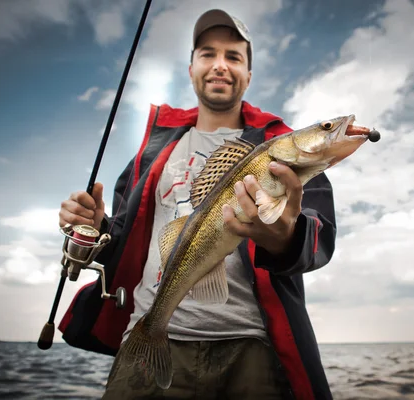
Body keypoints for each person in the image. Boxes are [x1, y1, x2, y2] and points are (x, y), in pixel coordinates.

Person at [58, 9, 337, 400]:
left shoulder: (283, 148)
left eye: (234, 56)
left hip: (253, 345)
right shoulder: (150, 153)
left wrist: (287, 235)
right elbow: (121, 243)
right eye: (208, 54)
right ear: (191, 68)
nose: (220, 65)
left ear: (249, 76)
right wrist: (96, 226)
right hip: (149, 328)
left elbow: (319, 240)